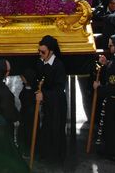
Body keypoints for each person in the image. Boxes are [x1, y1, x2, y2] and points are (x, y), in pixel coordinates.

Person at [35, 35, 67, 165]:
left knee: (56, 129)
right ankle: (45, 154)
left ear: (51, 51)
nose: (40, 54)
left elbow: (60, 89)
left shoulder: (59, 66)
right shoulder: (40, 63)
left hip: (57, 104)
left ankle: (57, 158)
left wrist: (44, 95)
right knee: (46, 128)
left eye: (43, 52)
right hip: (47, 102)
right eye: (39, 51)